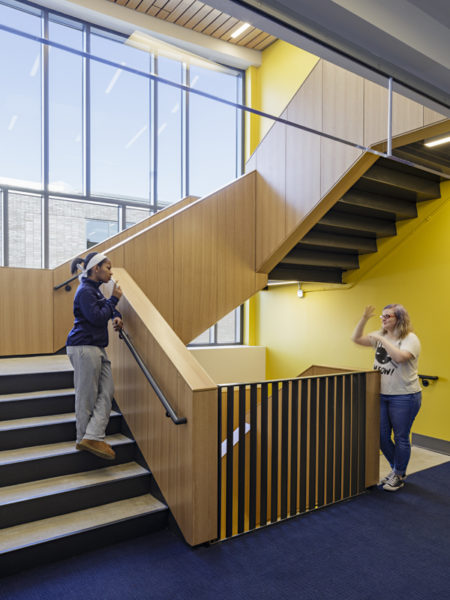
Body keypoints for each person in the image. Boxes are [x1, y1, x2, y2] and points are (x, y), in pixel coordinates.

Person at [352, 304, 421, 491]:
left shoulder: (410, 339)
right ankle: (397, 469)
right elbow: (356, 338)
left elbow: (399, 357)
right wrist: (364, 319)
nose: (383, 319)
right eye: (382, 316)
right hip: (382, 396)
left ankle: (398, 474)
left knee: (401, 437)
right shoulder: (381, 335)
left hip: (405, 397)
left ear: (399, 318)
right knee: (381, 436)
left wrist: (382, 340)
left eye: (388, 316)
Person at [66, 252, 123, 460]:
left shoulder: (95, 291)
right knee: (87, 395)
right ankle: (83, 438)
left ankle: (93, 436)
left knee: (107, 391)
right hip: (83, 346)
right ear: (96, 268)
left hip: (96, 346)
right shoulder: (85, 291)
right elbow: (98, 318)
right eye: (108, 267)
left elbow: (104, 310)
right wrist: (114, 300)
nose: (111, 272)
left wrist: (116, 316)